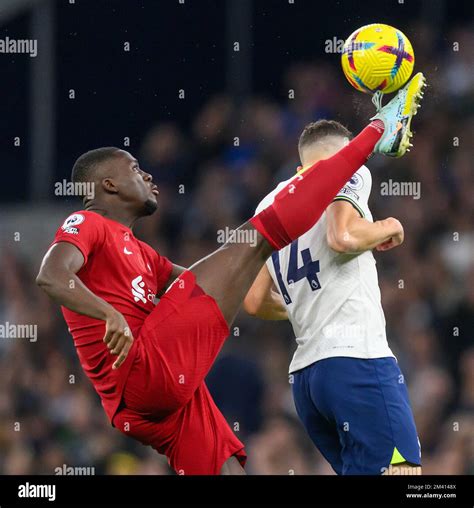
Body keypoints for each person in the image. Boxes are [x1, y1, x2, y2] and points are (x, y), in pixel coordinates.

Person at [36, 73, 426, 475]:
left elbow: (234, 289)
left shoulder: (140, 252)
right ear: (108, 184)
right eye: (136, 169)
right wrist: (108, 314)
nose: (148, 175)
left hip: (151, 404)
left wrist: (303, 295)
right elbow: (50, 274)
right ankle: (381, 128)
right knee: (254, 242)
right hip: (145, 368)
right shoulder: (86, 221)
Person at [244, 79, 427, 475]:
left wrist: (303, 309)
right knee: (404, 475)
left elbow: (254, 301)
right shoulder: (350, 172)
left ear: (299, 167)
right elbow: (342, 236)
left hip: (307, 383)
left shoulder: (268, 203)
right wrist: (389, 225)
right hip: (355, 361)